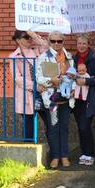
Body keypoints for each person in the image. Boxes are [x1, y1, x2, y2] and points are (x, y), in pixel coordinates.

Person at [36, 31, 75, 169]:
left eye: (59, 41)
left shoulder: (68, 57)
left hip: (65, 99)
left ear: (63, 42)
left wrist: (73, 88)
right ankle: (55, 156)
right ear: (49, 41)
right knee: (53, 129)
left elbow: (73, 76)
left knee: (64, 128)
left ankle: (64, 156)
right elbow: (39, 78)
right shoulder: (43, 57)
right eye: (53, 41)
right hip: (52, 100)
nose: (56, 44)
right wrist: (51, 80)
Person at [9, 30, 49, 142]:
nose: (29, 39)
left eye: (29, 37)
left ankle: (53, 149)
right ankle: (29, 149)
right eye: (26, 37)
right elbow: (17, 78)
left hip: (43, 93)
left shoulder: (37, 51)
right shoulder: (14, 56)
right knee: (29, 124)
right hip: (27, 94)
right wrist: (35, 86)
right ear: (18, 40)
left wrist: (32, 34)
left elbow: (45, 45)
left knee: (50, 122)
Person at [73, 33, 95, 166]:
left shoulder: (94, 58)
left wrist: (85, 81)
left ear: (88, 45)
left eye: (84, 43)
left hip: (89, 97)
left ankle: (89, 153)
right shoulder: (74, 58)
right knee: (80, 127)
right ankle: (83, 153)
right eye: (79, 43)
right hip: (76, 98)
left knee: (85, 126)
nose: (81, 46)